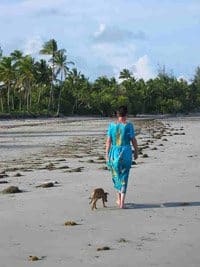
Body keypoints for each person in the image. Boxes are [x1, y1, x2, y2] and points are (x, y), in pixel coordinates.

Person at [105, 106, 138, 209]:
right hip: (126, 152)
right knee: (124, 176)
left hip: (114, 153)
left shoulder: (111, 126)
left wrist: (106, 154)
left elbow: (108, 141)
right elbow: (133, 140)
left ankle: (119, 199)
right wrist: (136, 151)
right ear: (126, 114)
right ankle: (122, 203)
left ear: (117, 114)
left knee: (116, 175)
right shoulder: (129, 126)